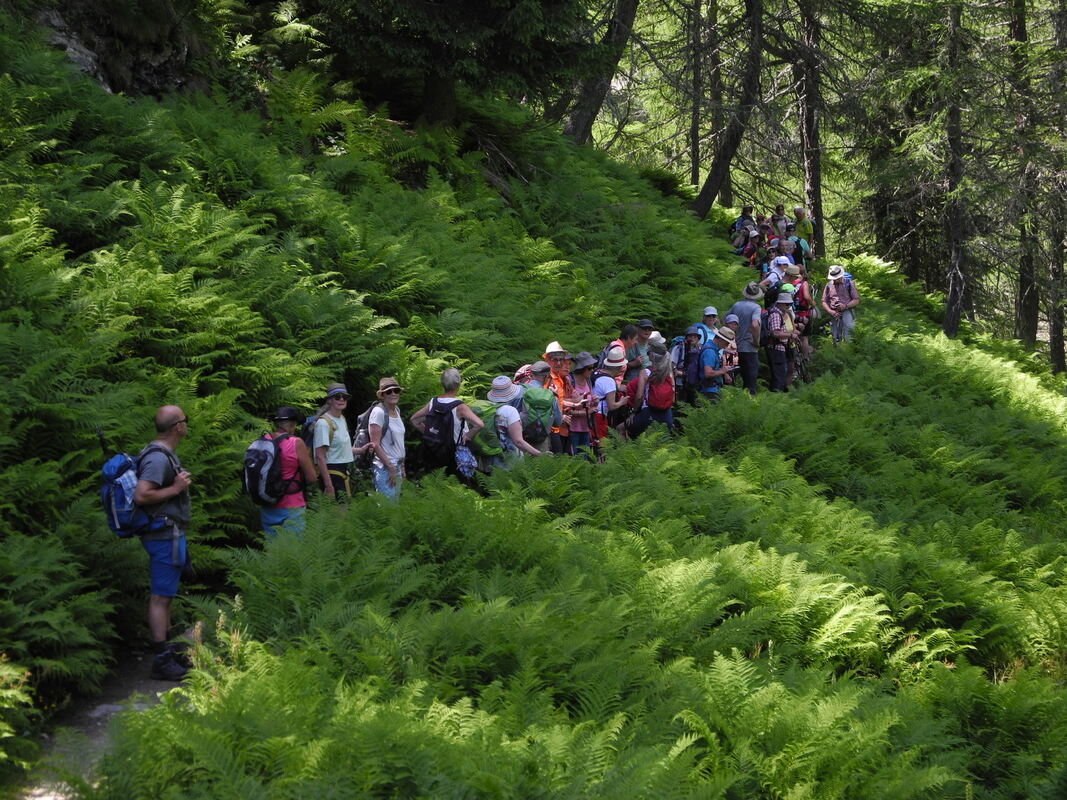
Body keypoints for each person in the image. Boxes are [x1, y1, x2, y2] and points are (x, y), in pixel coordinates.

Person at [133, 405, 193, 681]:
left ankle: (167, 651)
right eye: (185, 420)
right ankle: (161, 659)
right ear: (177, 427)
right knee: (160, 597)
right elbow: (142, 496)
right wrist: (176, 489)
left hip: (169, 533)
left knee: (166, 596)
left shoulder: (162, 454)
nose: (186, 424)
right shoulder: (158, 459)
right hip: (163, 535)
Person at [410, 368, 484, 474]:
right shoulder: (459, 406)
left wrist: (429, 434)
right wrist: (468, 436)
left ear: (442, 384)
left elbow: (414, 420)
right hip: (455, 452)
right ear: (458, 385)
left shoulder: (433, 402)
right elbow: (479, 424)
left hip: (434, 450)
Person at [260, 407, 317, 536]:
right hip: (292, 506)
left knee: (273, 550)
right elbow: (312, 478)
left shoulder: (265, 439)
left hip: (267, 503)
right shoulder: (295, 442)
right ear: (292, 424)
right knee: (292, 551)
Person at [487, 376, 547, 467]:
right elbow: (518, 441)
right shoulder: (510, 411)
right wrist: (540, 455)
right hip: (510, 461)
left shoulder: (488, 408)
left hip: (491, 460)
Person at [313, 383, 355, 501]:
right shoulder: (323, 423)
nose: (341, 399)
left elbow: (339, 448)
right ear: (329, 400)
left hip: (343, 471)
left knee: (343, 513)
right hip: (331, 473)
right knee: (340, 514)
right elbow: (320, 456)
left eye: (344, 397)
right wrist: (328, 485)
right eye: (337, 396)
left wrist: (361, 450)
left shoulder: (342, 419)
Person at [368, 377, 406, 499]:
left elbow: (399, 443)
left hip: (397, 466)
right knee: (387, 508)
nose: (393, 394)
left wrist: (402, 466)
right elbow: (375, 444)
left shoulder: (397, 410)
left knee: (394, 508)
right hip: (384, 467)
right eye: (389, 391)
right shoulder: (378, 412)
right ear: (382, 395)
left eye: (396, 390)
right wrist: (390, 467)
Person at [728, 282, 764, 396]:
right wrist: (756, 341)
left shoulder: (737, 305)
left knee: (735, 378)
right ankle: (751, 405)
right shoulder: (756, 307)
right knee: (750, 383)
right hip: (749, 348)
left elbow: (724, 319)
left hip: (735, 347)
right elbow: (755, 324)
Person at [592, 346, 630, 440]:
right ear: (619, 367)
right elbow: (612, 406)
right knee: (602, 445)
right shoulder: (609, 381)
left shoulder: (597, 372)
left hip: (591, 414)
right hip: (599, 416)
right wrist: (622, 402)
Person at [541, 344, 573, 454]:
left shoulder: (559, 377)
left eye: (561, 360)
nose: (559, 363)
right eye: (555, 360)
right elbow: (544, 403)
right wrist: (560, 416)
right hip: (549, 428)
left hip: (557, 427)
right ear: (547, 360)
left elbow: (558, 401)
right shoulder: (547, 378)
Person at [565, 352, 598, 456]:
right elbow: (565, 406)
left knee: (585, 458)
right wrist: (586, 412)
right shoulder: (570, 380)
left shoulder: (588, 381)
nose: (592, 370)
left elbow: (589, 403)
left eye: (593, 368)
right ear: (582, 368)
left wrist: (595, 401)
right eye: (589, 368)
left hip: (586, 427)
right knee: (574, 457)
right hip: (572, 428)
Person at [822, 264, 860, 343]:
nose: (836, 279)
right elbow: (823, 301)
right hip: (834, 313)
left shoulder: (849, 283)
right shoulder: (829, 285)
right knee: (835, 334)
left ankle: (848, 351)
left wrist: (845, 306)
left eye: (837, 277)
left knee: (848, 332)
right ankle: (837, 351)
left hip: (847, 311)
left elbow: (856, 300)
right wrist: (830, 311)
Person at [765, 291, 793, 391]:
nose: (789, 306)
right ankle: (777, 396)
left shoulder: (780, 313)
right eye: (787, 304)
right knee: (779, 376)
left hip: (778, 348)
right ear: (780, 303)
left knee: (780, 374)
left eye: (790, 304)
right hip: (776, 348)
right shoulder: (776, 315)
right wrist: (790, 335)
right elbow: (775, 333)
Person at [672, 325, 705, 406]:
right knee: (680, 406)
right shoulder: (678, 348)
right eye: (690, 336)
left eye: (695, 336)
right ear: (686, 337)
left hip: (695, 383)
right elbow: (672, 366)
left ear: (698, 338)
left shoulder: (700, 349)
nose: (693, 338)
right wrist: (682, 373)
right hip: (680, 383)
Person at [699, 328, 734, 403]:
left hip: (712, 390)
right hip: (709, 391)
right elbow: (708, 373)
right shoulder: (710, 352)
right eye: (727, 343)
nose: (727, 346)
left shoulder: (714, 350)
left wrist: (725, 373)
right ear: (720, 339)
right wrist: (723, 371)